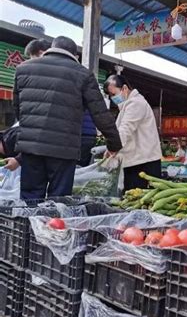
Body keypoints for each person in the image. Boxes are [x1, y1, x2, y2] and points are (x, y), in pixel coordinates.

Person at [13, 36, 122, 199]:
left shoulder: (23, 68)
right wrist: (114, 143)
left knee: (30, 197)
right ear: (74, 55)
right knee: (59, 199)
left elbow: (18, 108)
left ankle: (29, 224)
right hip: (64, 149)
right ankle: (50, 225)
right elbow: (100, 113)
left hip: (31, 148)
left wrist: (30, 131)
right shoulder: (83, 74)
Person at [24, 38, 97, 167]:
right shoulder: (78, 73)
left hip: (69, 136)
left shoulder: (44, 76)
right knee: (68, 178)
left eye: (32, 57)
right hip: (77, 136)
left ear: (42, 53)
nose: (31, 62)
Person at [104, 74, 163, 191]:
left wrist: (112, 147)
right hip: (136, 160)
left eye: (113, 94)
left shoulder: (136, 103)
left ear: (124, 88)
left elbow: (125, 130)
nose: (112, 98)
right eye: (110, 95)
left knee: (141, 201)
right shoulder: (127, 105)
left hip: (144, 163)